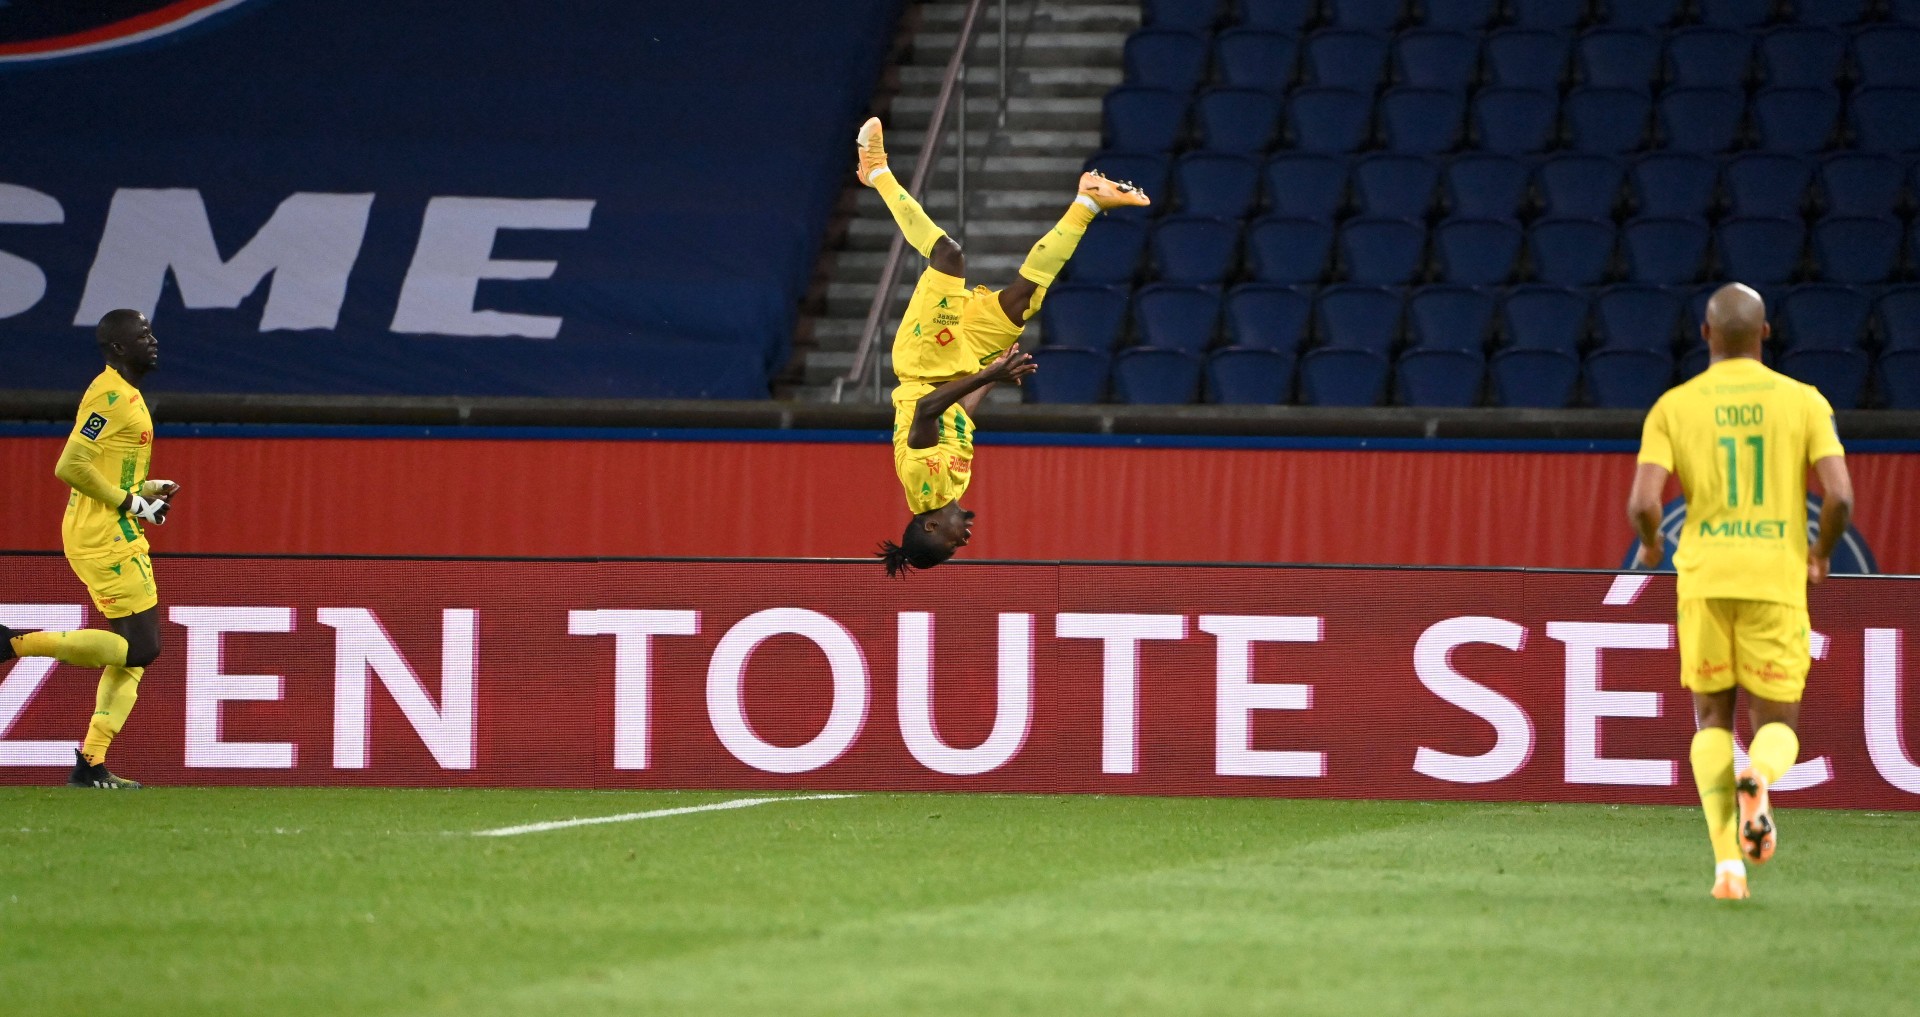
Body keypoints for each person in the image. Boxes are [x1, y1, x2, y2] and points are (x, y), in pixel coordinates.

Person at [1626, 283, 1854, 900]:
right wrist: (1822, 552)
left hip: (1704, 579)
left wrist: (1650, 545)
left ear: (1705, 335)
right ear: (1766, 333)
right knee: (1777, 722)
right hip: (1773, 578)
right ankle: (1761, 774)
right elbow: (1840, 496)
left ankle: (1728, 869)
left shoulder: (1675, 405)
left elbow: (1645, 502)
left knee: (1710, 721)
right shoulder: (1804, 402)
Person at [854, 117, 1148, 576]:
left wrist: (988, 374)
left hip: (928, 360)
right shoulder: (956, 480)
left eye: (953, 546)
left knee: (948, 256)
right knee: (1022, 301)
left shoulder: (923, 485)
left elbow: (928, 409)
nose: (964, 539)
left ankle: (876, 172)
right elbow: (958, 417)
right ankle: (1088, 200)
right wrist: (995, 374)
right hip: (963, 361)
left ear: (930, 529)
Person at [0, 309, 179, 789]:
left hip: (111, 528)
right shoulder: (111, 397)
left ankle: (91, 764)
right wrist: (131, 502)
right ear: (119, 347)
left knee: (136, 655)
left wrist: (145, 491)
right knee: (142, 647)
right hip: (104, 535)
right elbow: (70, 466)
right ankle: (12, 642)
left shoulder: (126, 394)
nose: (153, 340)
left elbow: (106, 469)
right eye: (142, 335)